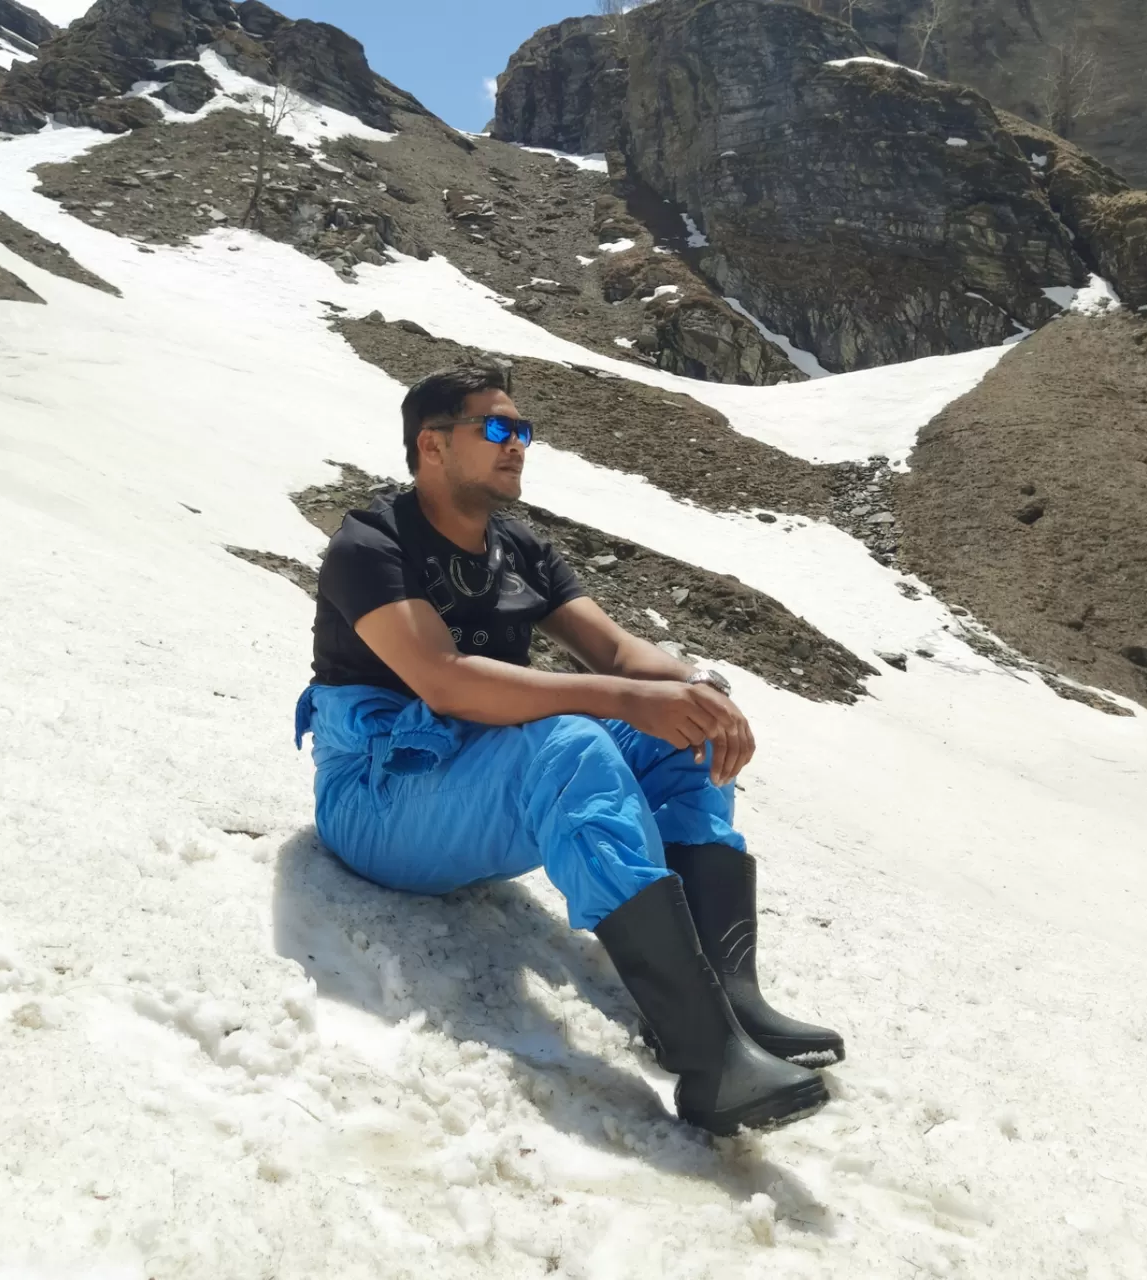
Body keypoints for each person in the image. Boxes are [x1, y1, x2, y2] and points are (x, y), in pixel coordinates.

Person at [294, 363, 843, 1136]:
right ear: (432, 446)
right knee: (575, 742)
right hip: (378, 801)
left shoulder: (518, 548)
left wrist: (703, 691)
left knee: (679, 741)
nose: (518, 444)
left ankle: (730, 1000)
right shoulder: (371, 543)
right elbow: (444, 681)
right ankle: (709, 1067)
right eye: (496, 428)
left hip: (478, 783)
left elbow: (617, 655)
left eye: (523, 430)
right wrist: (624, 700)